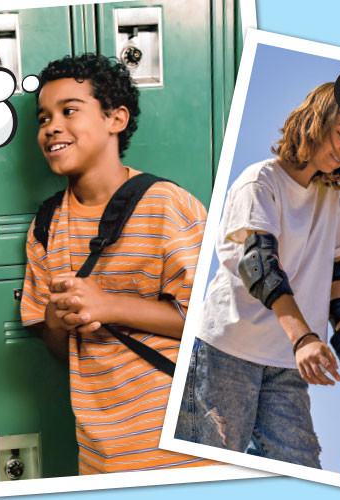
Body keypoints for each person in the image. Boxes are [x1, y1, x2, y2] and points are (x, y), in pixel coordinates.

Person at [172, 82, 340, 469]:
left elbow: (339, 275)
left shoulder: (329, 198)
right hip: (225, 352)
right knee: (210, 469)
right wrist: (303, 337)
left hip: (285, 363)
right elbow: (259, 266)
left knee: (299, 469)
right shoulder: (260, 181)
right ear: (315, 122)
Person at [19, 53, 211, 473]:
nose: (51, 126)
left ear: (115, 119)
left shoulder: (168, 205)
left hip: (186, 451)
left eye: (69, 110)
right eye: (43, 117)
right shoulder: (46, 226)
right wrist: (57, 319)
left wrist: (107, 305)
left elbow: (217, 322)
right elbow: (59, 349)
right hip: (102, 456)